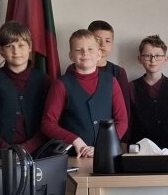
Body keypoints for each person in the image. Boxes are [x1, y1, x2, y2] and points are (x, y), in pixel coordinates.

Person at [41, 29, 129, 158]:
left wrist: (104, 145)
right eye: (78, 50)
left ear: (99, 54)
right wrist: (75, 140)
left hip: (107, 155)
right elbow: (48, 124)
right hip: (73, 156)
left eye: (90, 49)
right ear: (71, 56)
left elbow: (122, 121)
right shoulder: (61, 84)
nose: (85, 53)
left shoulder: (111, 82)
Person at [0, 22, 49, 155]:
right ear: (1, 50)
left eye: (21, 45)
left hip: (37, 154)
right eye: (10, 46)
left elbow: (49, 122)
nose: (16, 51)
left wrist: (27, 148)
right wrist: (3, 147)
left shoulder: (44, 80)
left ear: (30, 47)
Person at [127, 35, 168, 151]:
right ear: (140, 59)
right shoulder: (132, 87)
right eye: (147, 56)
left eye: (158, 56)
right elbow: (128, 121)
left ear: (165, 59)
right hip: (140, 148)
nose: (153, 60)